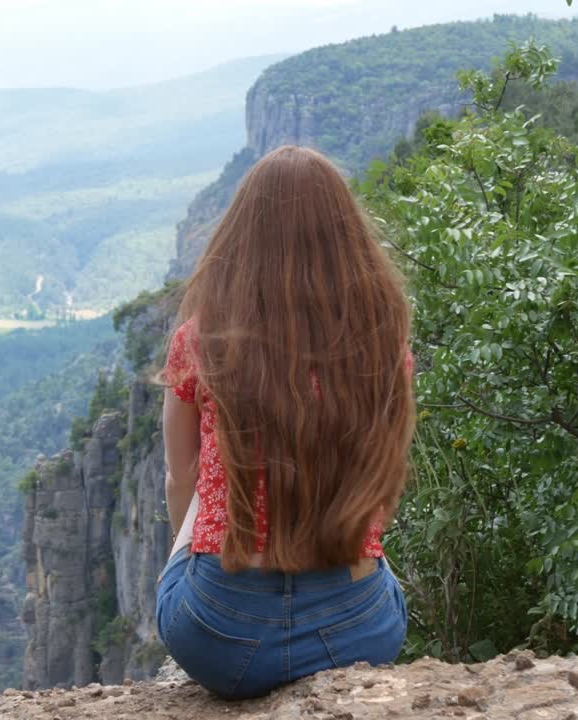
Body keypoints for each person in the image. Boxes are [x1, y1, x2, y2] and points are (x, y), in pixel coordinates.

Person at [154, 145, 416, 700]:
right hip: (359, 635)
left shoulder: (199, 342)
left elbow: (180, 481)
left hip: (220, 641)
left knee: (208, 479)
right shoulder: (384, 344)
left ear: (241, 238)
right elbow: (384, 490)